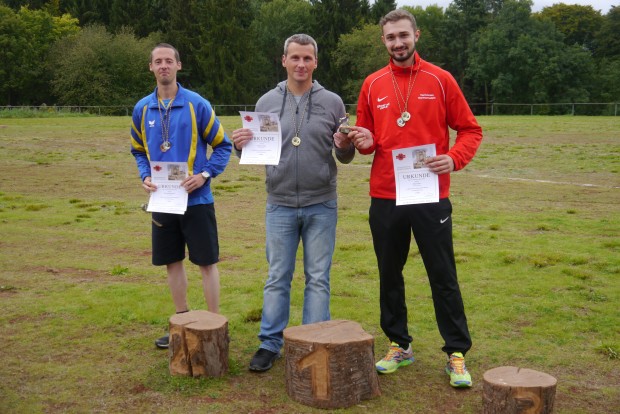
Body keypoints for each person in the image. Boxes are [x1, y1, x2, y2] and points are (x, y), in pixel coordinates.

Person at [337, 9, 483, 387]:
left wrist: (454, 158)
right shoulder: (372, 84)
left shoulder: (441, 79)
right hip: (385, 195)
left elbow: (470, 130)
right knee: (390, 274)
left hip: (430, 194)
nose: (398, 43)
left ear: (416, 35)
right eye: (391, 37)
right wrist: (363, 140)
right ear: (383, 41)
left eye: (403, 35)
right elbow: (367, 140)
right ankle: (399, 344)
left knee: (442, 274)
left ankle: (456, 352)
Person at [231, 34, 355, 372]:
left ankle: (313, 342)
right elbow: (256, 151)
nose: (301, 64)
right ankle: (270, 343)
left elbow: (344, 156)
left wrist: (344, 145)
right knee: (277, 276)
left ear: (316, 62)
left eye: (307, 58)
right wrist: (240, 146)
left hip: (321, 203)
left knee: (318, 277)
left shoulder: (332, 102)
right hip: (280, 203)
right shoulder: (266, 101)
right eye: (295, 58)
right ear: (284, 60)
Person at [130, 43, 232, 349]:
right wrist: (145, 176)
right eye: (158, 61)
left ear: (178, 65)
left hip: (197, 200)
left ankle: (214, 326)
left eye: (168, 61)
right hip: (162, 200)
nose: (163, 66)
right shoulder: (142, 109)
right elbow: (138, 150)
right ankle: (182, 322)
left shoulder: (196, 104)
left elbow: (223, 145)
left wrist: (204, 175)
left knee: (206, 262)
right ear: (151, 67)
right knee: (172, 262)